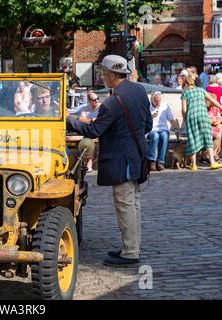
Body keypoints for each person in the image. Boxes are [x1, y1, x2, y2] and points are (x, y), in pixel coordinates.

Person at [67, 55, 152, 267]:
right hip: (137, 156)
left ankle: (130, 253)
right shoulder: (140, 91)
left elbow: (93, 130)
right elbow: (148, 125)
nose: (103, 78)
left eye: (104, 74)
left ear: (113, 74)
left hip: (121, 160)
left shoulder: (112, 102)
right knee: (133, 205)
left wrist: (70, 120)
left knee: (125, 206)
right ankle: (130, 246)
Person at [181, 76, 222, 170]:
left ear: (186, 84)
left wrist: (185, 118)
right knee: (207, 137)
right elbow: (213, 101)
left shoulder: (185, 93)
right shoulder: (201, 90)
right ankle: (212, 163)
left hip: (192, 117)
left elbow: (184, 109)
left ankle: (194, 165)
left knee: (192, 138)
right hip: (203, 116)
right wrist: (221, 108)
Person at [147, 92, 175, 171]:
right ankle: (152, 161)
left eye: (159, 100)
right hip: (151, 129)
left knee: (164, 136)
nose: (158, 102)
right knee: (155, 136)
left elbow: (171, 119)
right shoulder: (147, 106)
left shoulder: (165, 105)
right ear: (151, 100)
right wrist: (152, 116)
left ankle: (160, 162)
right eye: (156, 101)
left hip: (163, 128)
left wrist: (176, 128)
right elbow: (143, 120)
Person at [78, 91, 101, 172]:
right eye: (94, 99)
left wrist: (89, 120)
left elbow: (102, 120)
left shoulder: (101, 107)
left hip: (100, 131)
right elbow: (81, 119)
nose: (97, 101)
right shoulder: (85, 108)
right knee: (88, 141)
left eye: (97, 98)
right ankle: (89, 163)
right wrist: (92, 120)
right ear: (89, 101)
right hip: (90, 132)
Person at [205, 93, 222, 161]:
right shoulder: (204, 108)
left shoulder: (215, 108)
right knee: (219, 134)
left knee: (221, 127)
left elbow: (220, 118)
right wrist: (212, 121)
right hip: (206, 127)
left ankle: (214, 153)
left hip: (214, 126)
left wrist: (217, 121)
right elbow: (206, 122)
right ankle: (213, 154)